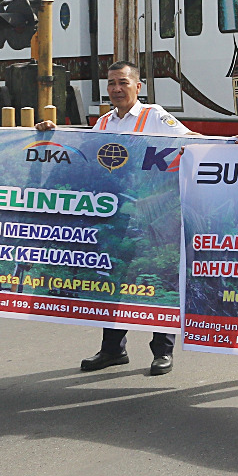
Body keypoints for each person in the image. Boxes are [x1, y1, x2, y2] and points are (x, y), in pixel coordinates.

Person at [39, 60, 198, 377]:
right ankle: (113, 349)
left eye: (123, 82)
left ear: (138, 87)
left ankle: (162, 353)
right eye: (111, 83)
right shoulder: (104, 122)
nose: (116, 89)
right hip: (114, 217)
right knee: (110, 281)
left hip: (149, 216)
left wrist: (220, 145)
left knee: (154, 278)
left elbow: (189, 139)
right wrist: (53, 133)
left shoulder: (154, 117)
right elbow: (83, 154)